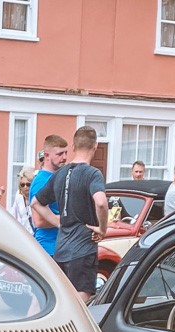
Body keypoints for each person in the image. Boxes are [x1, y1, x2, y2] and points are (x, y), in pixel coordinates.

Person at [31, 125, 108, 304]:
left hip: (61, 249)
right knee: (82, 299)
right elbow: (101, 202)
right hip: (82, 249)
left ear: (73, 147)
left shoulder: (60, 174)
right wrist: (102, 229)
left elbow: (36, 202)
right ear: (95, 146)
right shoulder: (93, 174)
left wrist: (60, 222)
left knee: (58, 299)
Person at [29, 135, 69, 257]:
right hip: (48, 248)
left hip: (61, 246)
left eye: (66, 153)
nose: (64, 158)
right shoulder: (41, 181)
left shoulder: (58, 178)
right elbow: (39, 221)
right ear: (46, 155)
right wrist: (68, 219)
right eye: (60, 154)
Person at [9, 168, 36, 232]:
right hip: (25, 233)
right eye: (22, 185)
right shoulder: (19, 196)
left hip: (36, 235)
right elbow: (13, 215)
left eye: (28, 184)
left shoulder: (37, 196)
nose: (25, 187)